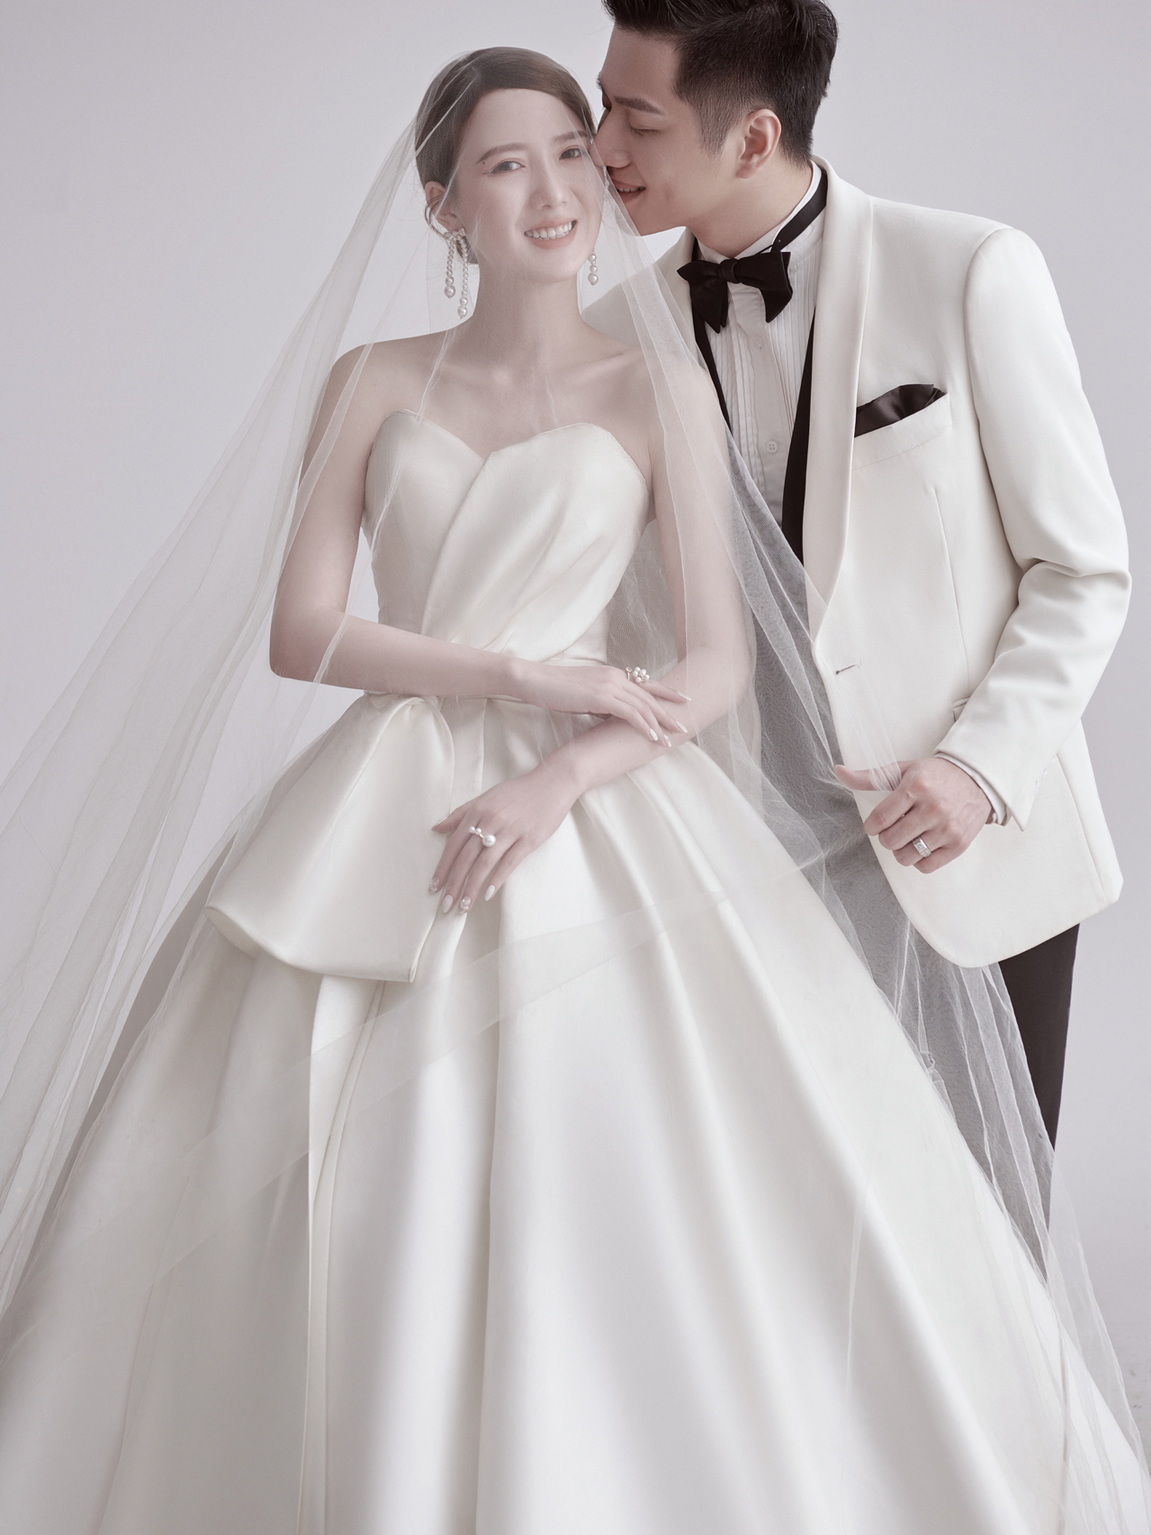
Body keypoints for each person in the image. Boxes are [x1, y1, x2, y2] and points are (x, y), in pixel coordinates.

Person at [0, 44, 1146, 1535]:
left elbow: (725, 655)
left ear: (742, 128)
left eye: (586, 139)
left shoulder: (691, 361)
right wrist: (522, 677)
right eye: (510, 161)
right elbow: (303, 630)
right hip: (396, 797)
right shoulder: (387, 377)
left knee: (793, 1203)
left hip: (700, 803)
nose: (572, 177)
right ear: (440, 204)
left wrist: (561, 776)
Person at [589, 0, 1129, 1142]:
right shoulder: (607, 340)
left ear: (752, 136)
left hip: (958, 842)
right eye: (602, 109)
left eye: (637, 119)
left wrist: (977, 766)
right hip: (731, 870)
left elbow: (1080, 569)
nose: (601, 148)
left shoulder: (967, 268)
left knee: (988, 1218)